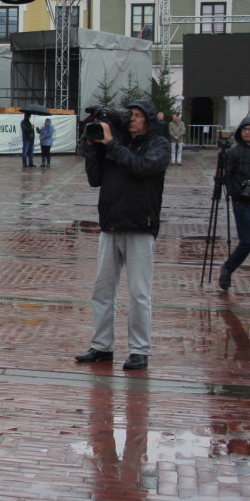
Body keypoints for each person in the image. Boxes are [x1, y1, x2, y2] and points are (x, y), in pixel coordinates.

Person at [75, 99, 169, 371]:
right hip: (110, 226)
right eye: (130, 115)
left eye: (139, 115)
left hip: (140, 227)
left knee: (139, 293)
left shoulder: (158, 145)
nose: (133, 119)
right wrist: (94, 147)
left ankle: (139, 350)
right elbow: (95, 180)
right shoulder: (115, 143)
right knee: (102, 291)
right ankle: (102, 346)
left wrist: (112, 145)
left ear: (149, 120)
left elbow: (142, 168)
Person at [218, 116, 250, 291]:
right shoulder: (234, 151)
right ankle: (228, 268)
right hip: (241, 202)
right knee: (247, 242)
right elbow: (224, 177)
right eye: (245, 129)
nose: (247, 132)